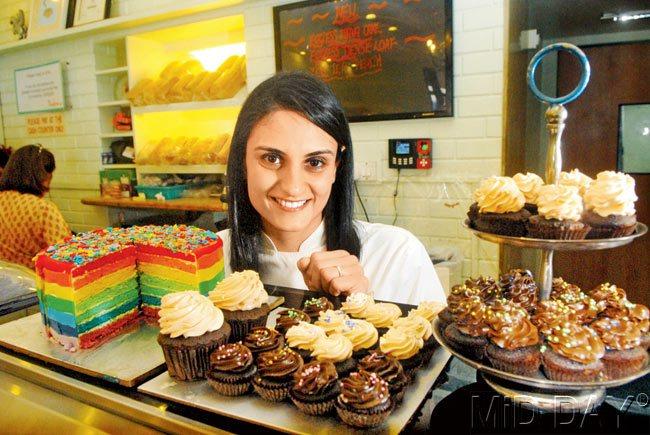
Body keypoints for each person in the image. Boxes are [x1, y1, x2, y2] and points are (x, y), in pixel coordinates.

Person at [218, 71, 445, 305]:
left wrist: (362, 308)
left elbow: (437, 340)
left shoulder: (396, 255)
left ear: (337, 165)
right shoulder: (205, 260)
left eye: (315, 162)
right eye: (272, 158)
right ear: (242, 161)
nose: (293, 187)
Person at [0, 144, 71, 268]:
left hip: (5, 280)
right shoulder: (44, 210)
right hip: (37, 282)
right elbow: (67, 257)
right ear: (43, 176)